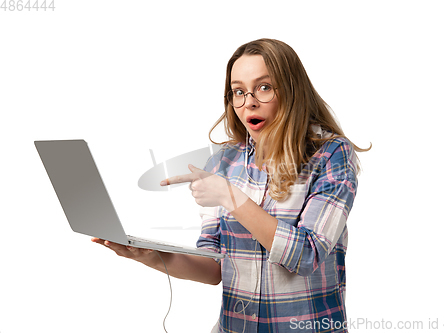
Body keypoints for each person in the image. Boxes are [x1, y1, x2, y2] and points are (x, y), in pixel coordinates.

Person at [92, 38, 370, 333]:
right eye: (238, 91)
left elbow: (306, 255)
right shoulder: (223, 162)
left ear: (292, 90)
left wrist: (229, 196)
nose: (248, 101)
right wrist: (151, 256)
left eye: (264, 87)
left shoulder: (331, 154)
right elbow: (214, 267)